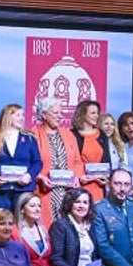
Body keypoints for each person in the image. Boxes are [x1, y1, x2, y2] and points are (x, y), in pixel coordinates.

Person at [32, 98, 84, 229]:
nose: (60, 116)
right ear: (44, 114)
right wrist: (40, 177)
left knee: (67, 231)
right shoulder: (33, 135)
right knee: (47, 229)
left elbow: (78, 161)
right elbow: (29, 164)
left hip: (67, 192)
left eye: (61, 113)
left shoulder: (69, 135)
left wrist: (77, 177)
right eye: (55, 113)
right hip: (45, 192)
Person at [0, 103, 41, 212]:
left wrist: (29, 175)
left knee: (21, 223)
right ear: (8, 116)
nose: (21, 118)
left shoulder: (30, 138)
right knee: (2, 221)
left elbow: (37, 162)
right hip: (0, 190)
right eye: (18, 115)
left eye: (22, 115)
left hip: (23, 189)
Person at [72, 100, 109, 203]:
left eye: (97, 113)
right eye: (93, 113)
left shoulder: (102, 134)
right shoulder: (72, 135)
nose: (96, 116)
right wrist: (80, 176)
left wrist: (106, 178)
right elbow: (71, 161)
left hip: (99, 185)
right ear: (83, 114)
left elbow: (107, 161)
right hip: (80, 184)